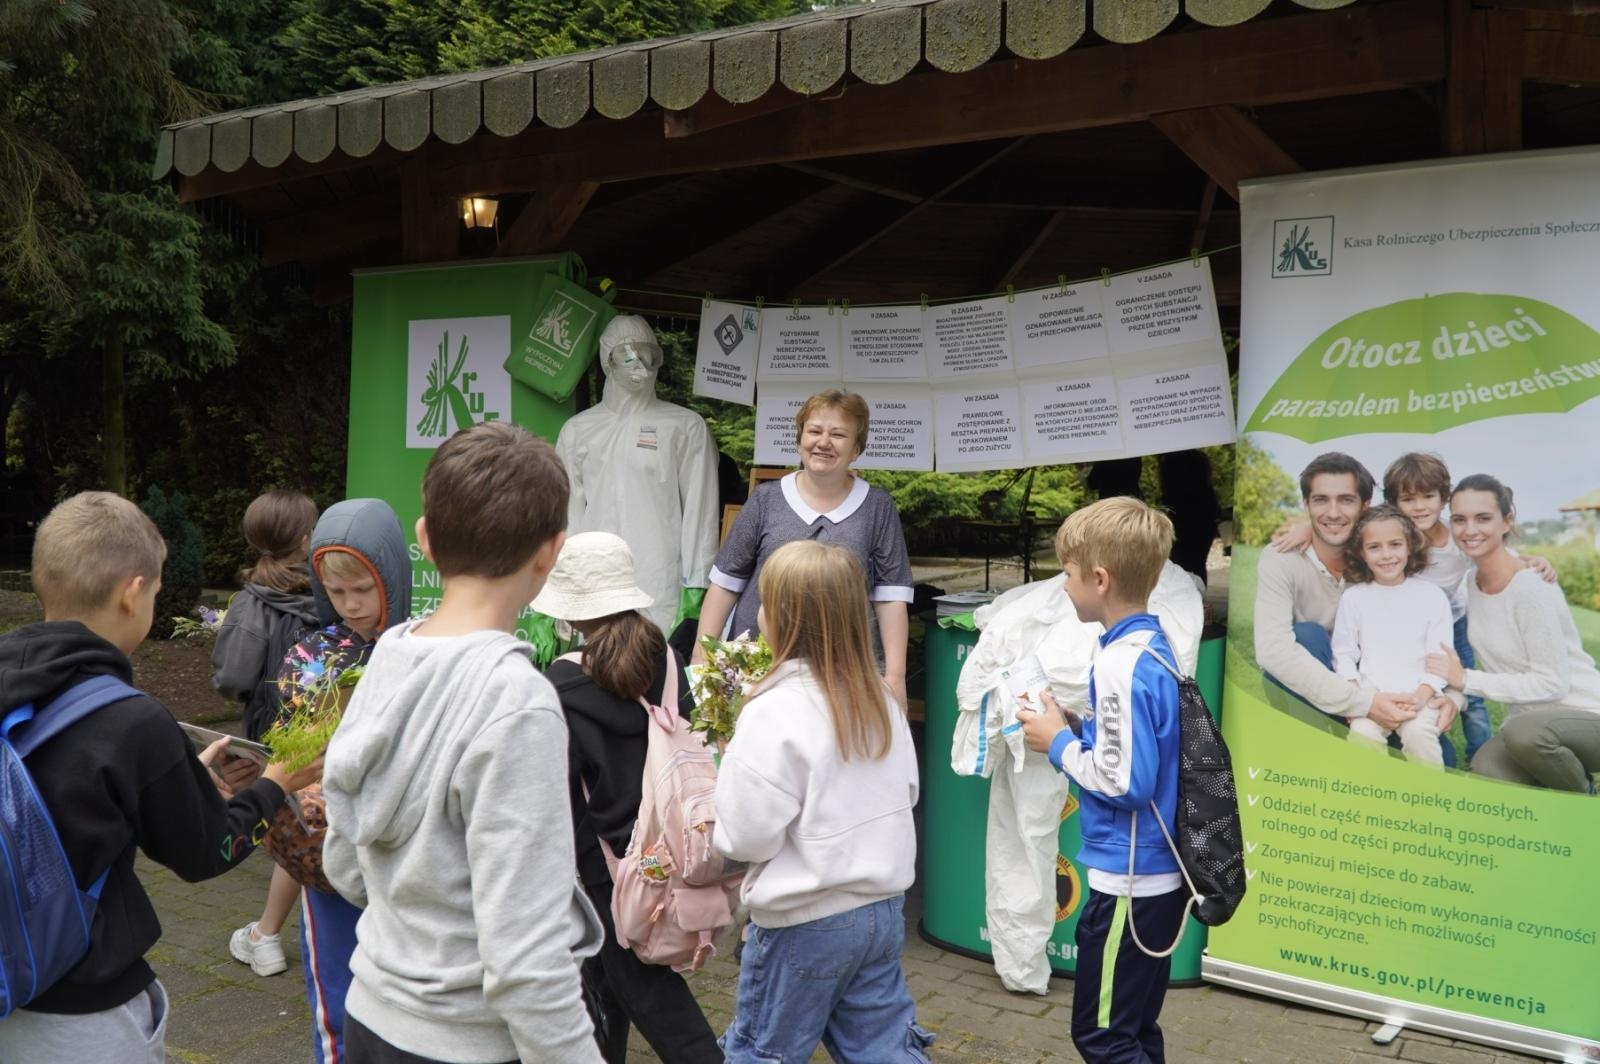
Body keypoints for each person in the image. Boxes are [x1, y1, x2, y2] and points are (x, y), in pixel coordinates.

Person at [0, 492, 321, 1063]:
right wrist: (275, 785)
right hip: (82, 1011)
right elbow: (204, 854)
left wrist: (178, 782)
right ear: (132, 593)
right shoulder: (133, 721)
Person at [322, 423, 605, 1064]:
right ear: (550, 552)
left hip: (371, 1013)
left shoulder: (389, 656)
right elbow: (527, 958)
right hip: (465, 1042)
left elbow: (344, 864)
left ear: (424, 539)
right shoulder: (519, 702)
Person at [713, 540, 931, 1064]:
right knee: (885, 1050)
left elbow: (745, 837)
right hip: (880, 912)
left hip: (803, 920)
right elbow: (907, 792)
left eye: (765, 602)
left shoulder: (774, 710)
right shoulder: (880, 698)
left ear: (783, 618)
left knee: (763, 1051)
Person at [536, 532, 722, 1064]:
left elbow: (560, 792)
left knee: (655, 1000)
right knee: (605, 980)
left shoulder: (561, 684)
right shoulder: (662, 655)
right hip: (667, 843)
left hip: (607, 863)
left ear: (572, 613)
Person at [1016, 496, 1186, 1064]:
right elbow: (1143, 748)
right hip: (1156, 877)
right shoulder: (1152, 646)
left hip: (1129, 885)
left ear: (1099, 578)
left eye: (1066, 572)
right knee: (1135, 1027)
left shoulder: (1118, 664)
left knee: (1103, 1037)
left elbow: (1123, 783)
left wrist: (1058, 745)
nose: (1062, 584)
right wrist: (1079, 727)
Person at [263, 499, 411, 1064]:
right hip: (330, 853)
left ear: (392, 577)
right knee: (337, 997)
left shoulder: (424, 650)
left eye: (364, 590)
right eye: (337, 592)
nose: (351, 606)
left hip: (405, 853)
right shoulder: (313, 654)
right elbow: (293, 751)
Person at [693, 390, 913, 708]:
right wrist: (703, 654)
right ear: (799, 441)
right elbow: (726, 583)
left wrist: (894, 677)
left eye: (838, 434)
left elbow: (891, 597)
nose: (823, 442)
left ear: (857, 449)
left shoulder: (877, 507)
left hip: (846, 672)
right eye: (814, 431)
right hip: (757, 669)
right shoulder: (765, 500)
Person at [1426, 475, 1600, 792]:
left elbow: (1552, 683)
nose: (1469, 530)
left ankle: (1585, 804)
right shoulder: (1471, 582)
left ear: (1507, 521)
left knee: (1527, 735)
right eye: (1460, 519)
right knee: (1487, 769)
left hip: (1587, 715)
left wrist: (1465, 679)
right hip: (1528, 725)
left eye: (1483, 518)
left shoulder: (1530, 587)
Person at [212, 489, 321, 978]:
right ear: (304, 538)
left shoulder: (252, 602)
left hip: (271, 740)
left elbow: (233, 678)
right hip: (329, 727)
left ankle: (266, 937)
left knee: (289, 827)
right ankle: (266, 934)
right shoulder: (331, 590)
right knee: (304, 826)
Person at [555, 316, 719, 635]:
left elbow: (701, 511)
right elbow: (566, 514)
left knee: (655, 668)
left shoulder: (684, 427)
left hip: (659, 575)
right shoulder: (578, 430)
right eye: (626, 355)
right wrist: (560, 582)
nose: (638, 365)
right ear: (607, 361)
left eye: (647, 356)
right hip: (594, 576)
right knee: (597, 665)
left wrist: (696, 583)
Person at [1255, 453, 1421, 733]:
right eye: (1321, 500)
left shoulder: (1383, 559)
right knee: (1308, 635)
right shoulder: (1280, 558)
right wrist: (1363, 704)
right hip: (1317, 684)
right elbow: (1273, 652)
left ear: (1365, 506)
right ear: (1307, 504)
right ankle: (1319, 749)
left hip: (1371, 680)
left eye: (1346, 500)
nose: (1333, 513)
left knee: (1444, 757)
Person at [1332, 505, 1453, 764]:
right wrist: (1357, 700)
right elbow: (1343, 654)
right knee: (1363, 737)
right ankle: (1368, 796)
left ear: (1409, 546)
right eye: (1374, 547)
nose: (1386, 555)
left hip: (1420, 695)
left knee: (1419, 735)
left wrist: (1419, 697)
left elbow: (1439, 657)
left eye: (1395, 544)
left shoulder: (1432, 596)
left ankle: (1430, 799)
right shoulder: (1355, 598)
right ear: (1361, 553)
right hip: (1372, 695)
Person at [1157, 450, 1222, 586]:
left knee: (1181, 562)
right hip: (1202, 519)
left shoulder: (1172, 465)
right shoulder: (1198, 462)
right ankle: (1197, 597)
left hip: (1183, 520)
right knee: (1197, 563)